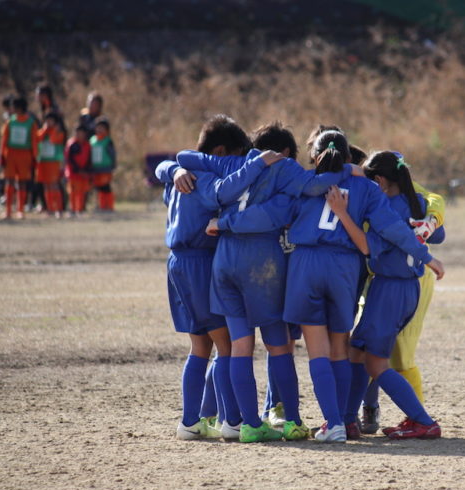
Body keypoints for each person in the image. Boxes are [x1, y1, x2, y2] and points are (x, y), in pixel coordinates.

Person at [176, 121, 362, 443]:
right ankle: (292, 421)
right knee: (278, 344)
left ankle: (247, 424)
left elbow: (184, 156)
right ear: (283, 152)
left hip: (224, 260)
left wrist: (173, 171)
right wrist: (347, 170)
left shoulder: (231, 162)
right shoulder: (286, 168)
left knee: (239, 345)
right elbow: (316, 185)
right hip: (261, 262)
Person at [279, 130, 444, 442]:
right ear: (349, 157)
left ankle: (335, 423)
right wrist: (427, 256)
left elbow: (279, 214)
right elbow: (393, 228)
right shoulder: (369, 188)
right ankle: (345, 420)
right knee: (344, 349)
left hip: (306, 264)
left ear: (314, 156)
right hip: (345, 267)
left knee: (319, 352)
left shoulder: (303, 181)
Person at [155, 121, 286, 441]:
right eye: (235, 157)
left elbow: (164, 168)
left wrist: (171, 168)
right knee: (227, 345)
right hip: (201, 262)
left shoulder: (180, 175)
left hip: (176, 263)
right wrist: (256, 165)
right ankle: (234, 421)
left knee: (200, 346)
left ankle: (190, 422)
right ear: (220, 152)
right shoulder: (204, 179)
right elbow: (226, 191)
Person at [338, 151, 444, 439]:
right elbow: (439, 233)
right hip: (406, 288)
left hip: (390, 289)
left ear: (380, 181)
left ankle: (423, 421)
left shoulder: (387, 207)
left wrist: (342, 214)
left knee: (375, 363)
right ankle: (347, 421)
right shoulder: (417, 201)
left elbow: (367, 246)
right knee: (357, 351)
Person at [0, 96, 38, 219]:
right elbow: (4, 140)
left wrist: (35, 157)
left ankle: (20, 210)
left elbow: (34, 141)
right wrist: (2, 155)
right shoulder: (10, 122)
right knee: (9, 181)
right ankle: (8, 210)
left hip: (25, 154)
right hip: (11, 154)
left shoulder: (30, 123)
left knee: (22, 182)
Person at [35, 111, 66, 216]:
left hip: (53, 162)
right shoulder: (42, 131)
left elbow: (53, 140)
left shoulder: (59, 132)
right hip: (43, 162)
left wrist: (53, 130)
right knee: (46, 185)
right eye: (47, 120)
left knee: (54, 184)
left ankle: (59, 208)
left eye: (51, 120)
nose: (48, 122)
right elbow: (37, 138)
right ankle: (50, 208)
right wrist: (45, 130)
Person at [64, 126, 91, 216]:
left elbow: (89, 159)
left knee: (82, 192)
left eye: (81, 133)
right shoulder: (71, 144)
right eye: (78, 133)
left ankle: (80, 209)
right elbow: (69, 160)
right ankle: (73, 209)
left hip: (84, 174)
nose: (80, 135)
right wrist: (78, 170)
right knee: (73, 192)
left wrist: (86, 170)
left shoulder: (87, 145)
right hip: (73, 173)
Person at [89, 118, 116, 211]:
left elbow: (112, 154)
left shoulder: (108, 141)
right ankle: (101, 206)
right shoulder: (92, 140)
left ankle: (109, 206)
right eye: (98, 127)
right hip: (95, 168)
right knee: (98, 188)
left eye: (102, 128)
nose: (99, 129)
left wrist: (113, 165)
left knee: (106, 187)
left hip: (105, 168)